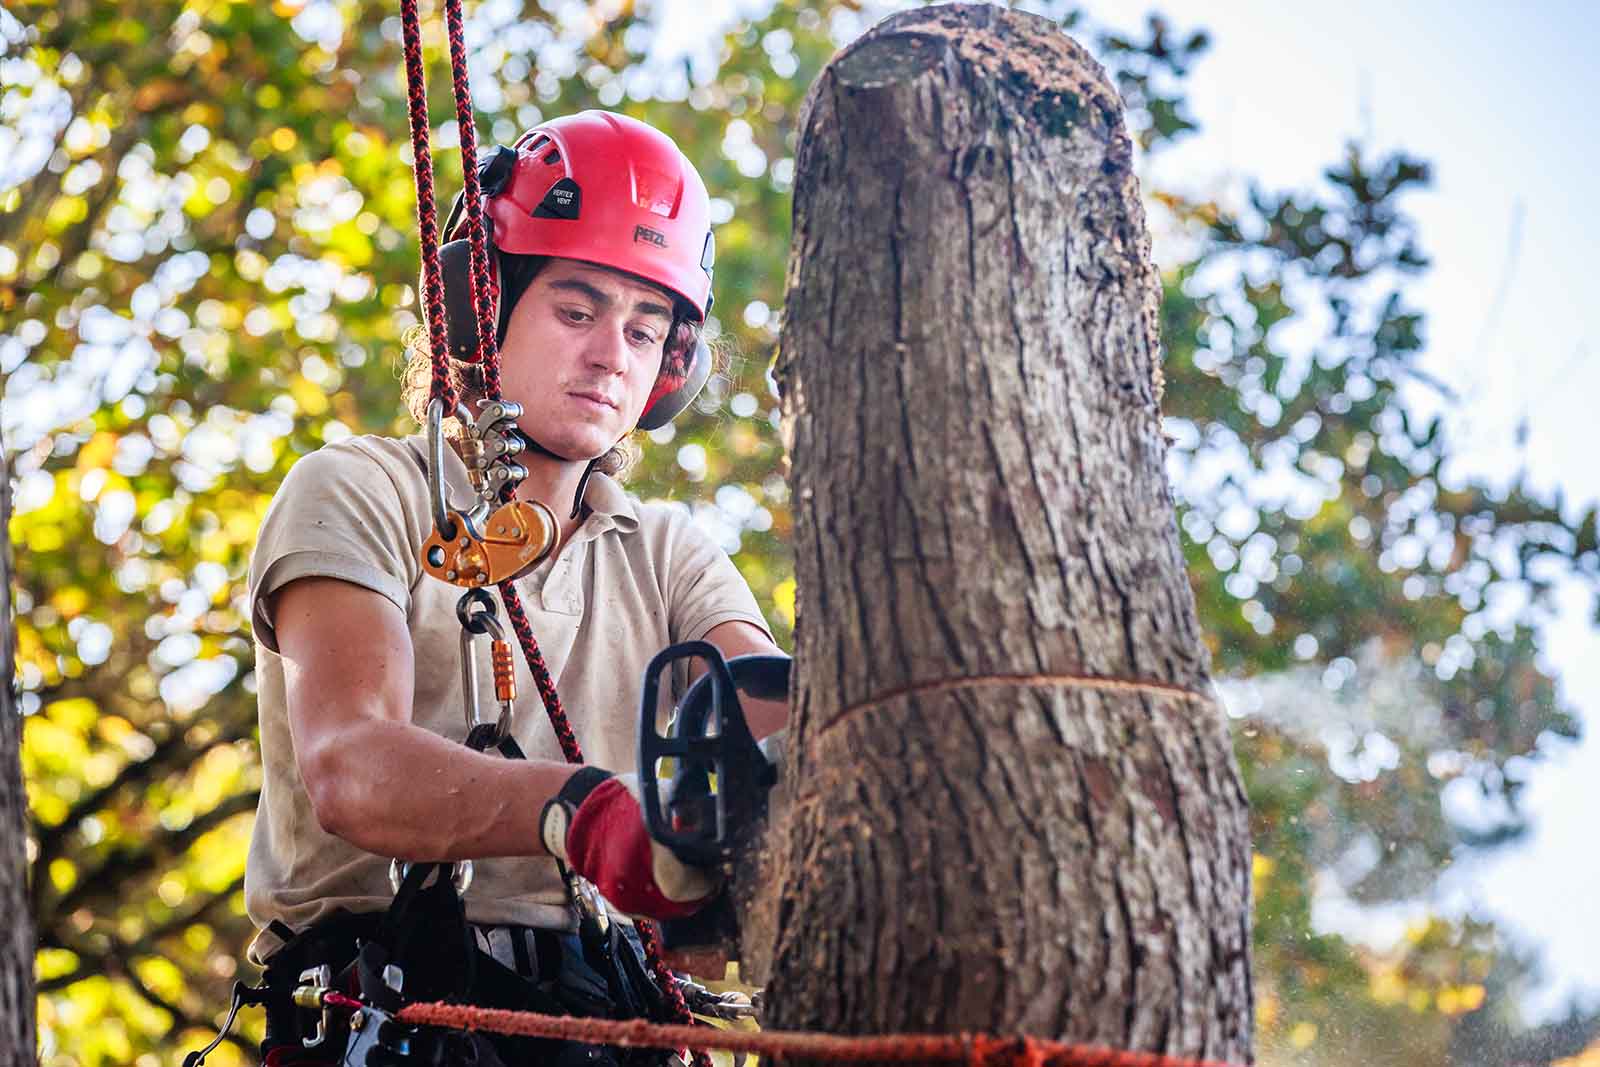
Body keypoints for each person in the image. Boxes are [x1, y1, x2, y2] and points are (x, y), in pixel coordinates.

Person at [241, 110, 788, 1065]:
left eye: (646, 328)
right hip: (391, 1020)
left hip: (613, 1023)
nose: (614, 353)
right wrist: (582, 810)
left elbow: (766, 713)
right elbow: (348, 761)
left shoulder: (666, 551)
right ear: (479, 308)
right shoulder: (360, 489)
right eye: (577, 311)